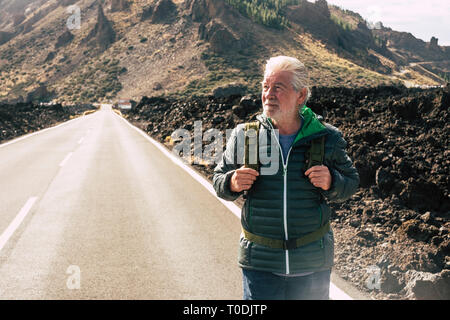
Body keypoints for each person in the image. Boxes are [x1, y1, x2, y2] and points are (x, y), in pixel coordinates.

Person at [213, 56, 359, 300]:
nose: (268, 94)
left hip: (311, 264)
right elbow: (219, 179)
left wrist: (332, 181)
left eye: (278, 88)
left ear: (301, 96)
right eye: (265, 86)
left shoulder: (326, 138)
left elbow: (351, 182)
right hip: (260, 264)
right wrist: (232, 182)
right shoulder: (245, 136)